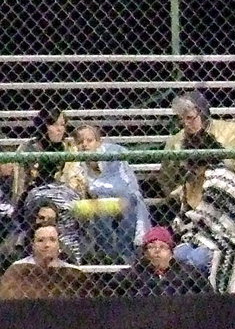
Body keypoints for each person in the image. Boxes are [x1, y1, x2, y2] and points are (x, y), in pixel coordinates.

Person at [171, 157, 235, 293]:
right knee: (180, 253)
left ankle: (210, 295)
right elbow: (188, 214)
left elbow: (221, 217)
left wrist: (199, 217)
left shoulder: (220, 180)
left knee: (196, 258)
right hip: (204, 236)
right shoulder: (191, 180)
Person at [159, 89, 235, 196]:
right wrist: (178, 195)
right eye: (181, 119)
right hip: (192, 198)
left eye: (190, 118)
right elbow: (166, 177)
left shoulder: (232, 132)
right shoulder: (175, 142)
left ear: (203, 114)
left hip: (230, 193)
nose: (185, 124)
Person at [73, 123, 152, 261]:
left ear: (99, 142)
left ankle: (126, 255)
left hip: (123, 199)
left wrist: (98, 190)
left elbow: (123, 184)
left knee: (129, 200)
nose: (84, 145)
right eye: (80, 142)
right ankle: (108, 256)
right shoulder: (75, 164)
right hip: (97, 204)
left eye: (89, 140)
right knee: (100, 206)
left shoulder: (112, 154)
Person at [12, 104, 87, 204]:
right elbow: (20, 183)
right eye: (54, 125)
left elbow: (74, 179)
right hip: (35, 194)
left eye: (62, 125)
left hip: (63, 194)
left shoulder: (69, 148)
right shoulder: (28, 147)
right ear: (44, 126)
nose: (59, 129)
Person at [0, 224, 88, 299]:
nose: (47, 245)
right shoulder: (18, 270)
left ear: (59, 245)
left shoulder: (73, 272)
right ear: (33, 245)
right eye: (40, 240)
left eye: (52, 240)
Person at [122, 226, 212, 296]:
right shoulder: (133, 274)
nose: (157, 250)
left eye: (162, 247)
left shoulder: (188, 273)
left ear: (171, 252)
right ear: (145, 252)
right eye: (151, 247)